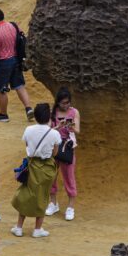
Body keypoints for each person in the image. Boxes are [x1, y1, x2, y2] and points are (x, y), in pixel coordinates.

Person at [10, 103, 61, 238]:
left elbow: (28, 147)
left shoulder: (28, 129)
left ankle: (19, 228)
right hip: (47, 167)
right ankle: (37, 229)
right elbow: (55, 153)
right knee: (43, 196)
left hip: (32, 166)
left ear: (36, 116)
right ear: (49, 116)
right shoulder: (55, 133)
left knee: (26, 194)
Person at [0, 8, 33, 123]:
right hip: (16, 60)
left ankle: (3, 115)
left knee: (1, 89)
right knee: (19, 86)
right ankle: (28, 109)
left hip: (3, 63)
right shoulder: (13, 25)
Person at [47, 87, 80, 221]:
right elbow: (48, 130)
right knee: (51, 176)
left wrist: (70, 126)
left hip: (67, 148)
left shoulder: (74, 112)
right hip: (54, 147)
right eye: (63, 103)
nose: (65, 105)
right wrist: (58, 127)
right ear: (58, 102)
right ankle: (53, 203)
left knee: (69, 177)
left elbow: (77, 130)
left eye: (67, 102)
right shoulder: (53, 112)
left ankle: (70, 207)